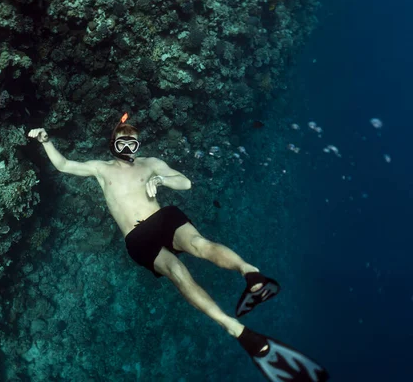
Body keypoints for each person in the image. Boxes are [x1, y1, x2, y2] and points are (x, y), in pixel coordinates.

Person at [28, 114, 329, 382]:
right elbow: (65, 165)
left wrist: (161, 179)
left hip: (163, 218)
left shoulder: (151, 164)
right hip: (137, 237)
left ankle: (252, 275)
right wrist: (46, 141)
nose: (128, 148)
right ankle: (234, 327)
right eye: (123, 142)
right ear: (113, 144)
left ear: (139, 145)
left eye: (133, 143)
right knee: (177, 271)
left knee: (200, 245)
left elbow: (185, 183)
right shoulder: (101, 169)